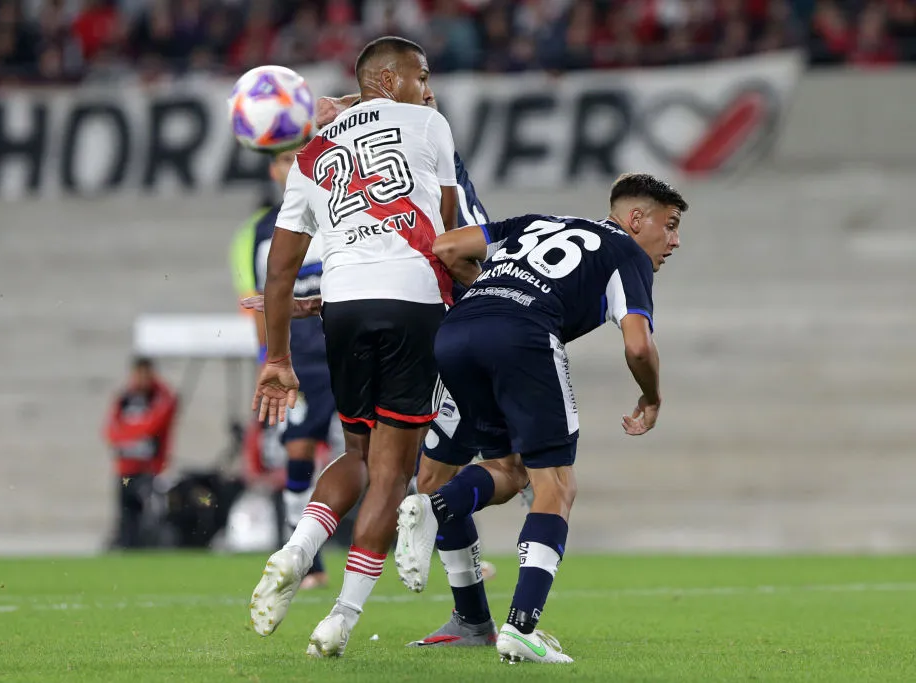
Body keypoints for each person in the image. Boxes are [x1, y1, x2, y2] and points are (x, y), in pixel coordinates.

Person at [394, 173, 687, 664]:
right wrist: (651, 397)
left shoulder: (537, 221)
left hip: (458, 332)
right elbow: (638, 345)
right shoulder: (628, 255)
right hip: (523, 340)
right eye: (670, 225)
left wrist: (492, 292)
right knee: (556, 486)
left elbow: (447, 247)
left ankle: (435, 518)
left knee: (505, 471)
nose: (674, 241)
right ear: (636, 219)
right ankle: (521, 628)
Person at [248, 35, 459, 658]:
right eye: (422, 74)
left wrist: (278, 358)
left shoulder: (311, 153)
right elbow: (449, 236)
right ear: (392, 80)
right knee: (393, 471)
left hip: (342, 306)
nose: (429, 86)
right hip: (412, 297)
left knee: (356, 452)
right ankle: (340, 617)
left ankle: (295, 550)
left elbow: (281, 271)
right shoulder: (429, 124)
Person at [230, 145, 342, 590]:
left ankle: (432, 544)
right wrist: (268, 358)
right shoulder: (259, 233)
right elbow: (259, 302)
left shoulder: (340, 213)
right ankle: (305, 558)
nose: (289, 167)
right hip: (301, 360)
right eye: (281, 160)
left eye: (296, 158)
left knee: (383, 453)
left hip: (348, 351)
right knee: (298, 451)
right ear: (273, 169)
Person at [103, 357, 178, 549]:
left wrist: (129, 432)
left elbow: (154, 424)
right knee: (126, 515)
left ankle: (150, 547)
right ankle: (127, 549)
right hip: (126, 469)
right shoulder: (124, 398)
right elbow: (110, 429)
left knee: (150, 514)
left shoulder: (161, 396)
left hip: (150, 470)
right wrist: (132, 435)